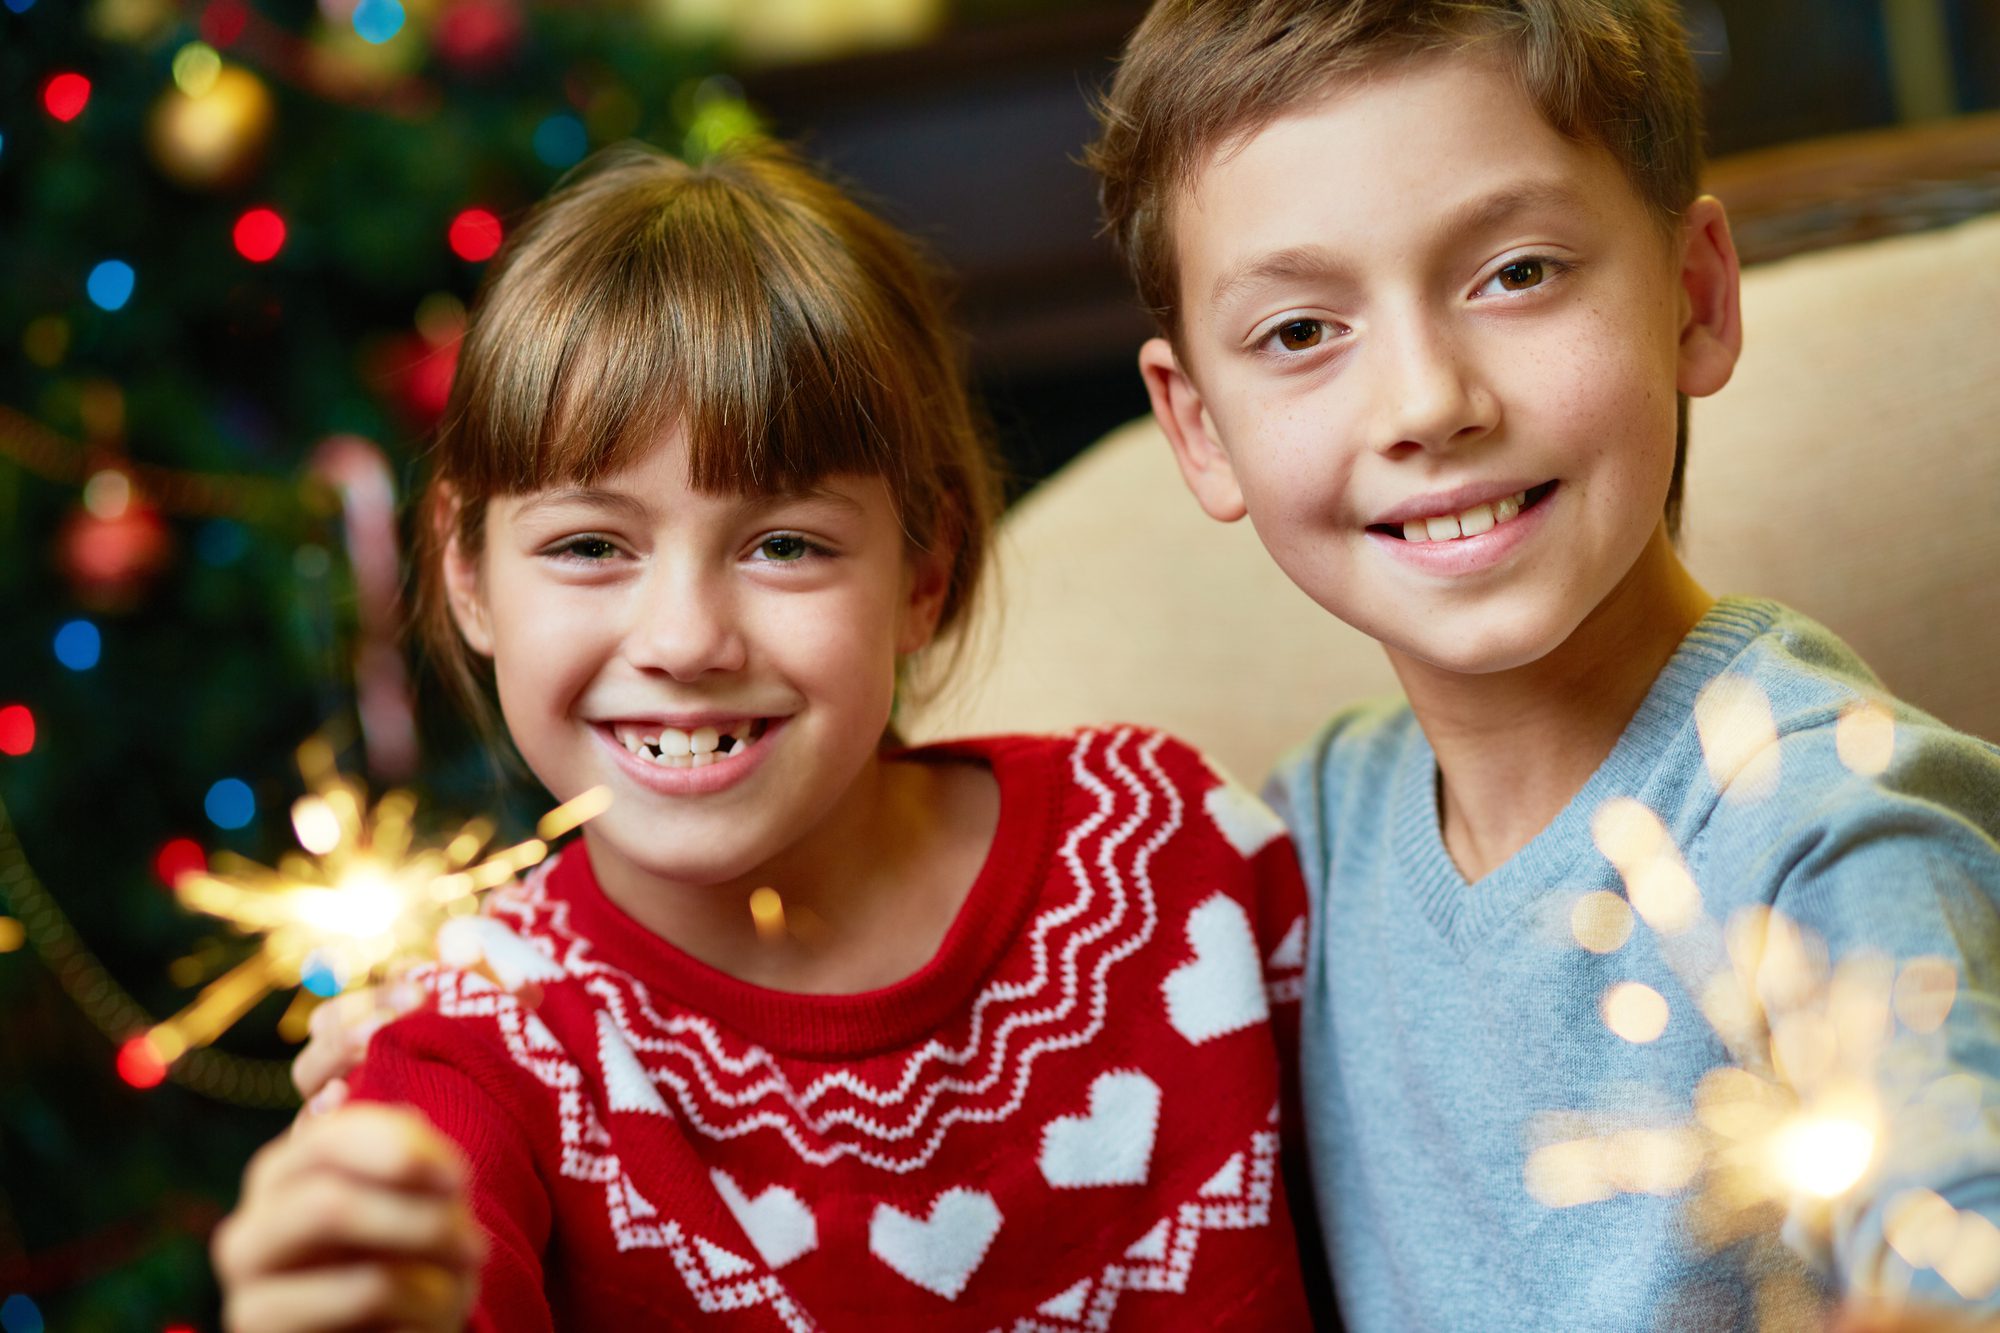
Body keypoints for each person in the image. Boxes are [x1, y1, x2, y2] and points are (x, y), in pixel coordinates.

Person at [210, 143, 1324, 1331]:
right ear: (468, 573)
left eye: (784, 544)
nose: (686, 641)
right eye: (590, 545)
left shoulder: (1166, 850)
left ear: (924, 572)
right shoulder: (465, 1045)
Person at [1087, 1, 2000, 1329]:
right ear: (1201, 429)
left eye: (1515, 272)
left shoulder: (1830, 834)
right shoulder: (1317, 833)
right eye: (1299, 332)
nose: (1426, 402)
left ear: (1693, 297)